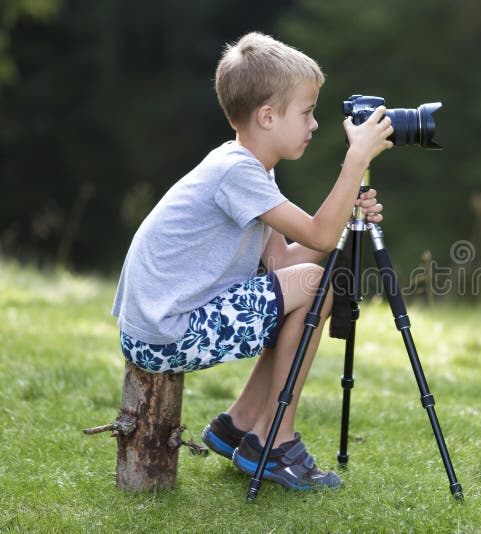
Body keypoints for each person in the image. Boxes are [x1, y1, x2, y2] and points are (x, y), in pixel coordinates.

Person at [111, 32, 393, 491]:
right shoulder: (237, 173)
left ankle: (239, 425)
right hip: (165, 332)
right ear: (267, 116)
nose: (316, 124)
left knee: (309, 285)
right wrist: (356, 159)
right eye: (307, 112)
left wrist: (346, 218)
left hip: (163, 323)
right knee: (318, 284)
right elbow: (314, 244)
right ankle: (273, 443)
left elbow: (283, 264)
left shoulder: (251, 167)